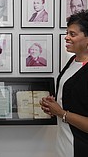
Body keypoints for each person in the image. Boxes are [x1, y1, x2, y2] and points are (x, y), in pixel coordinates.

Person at [40, 9, 88, 157]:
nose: (66, 37)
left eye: (72, 34)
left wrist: (61, 113)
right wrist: (53, 105)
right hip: (63, 144)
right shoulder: (72, 61)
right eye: (67, 33)